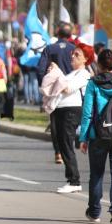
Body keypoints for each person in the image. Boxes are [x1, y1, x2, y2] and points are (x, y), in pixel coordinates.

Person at [79, 49, 112, 224]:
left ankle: (94, 212)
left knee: (96, 174)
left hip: (97, 136)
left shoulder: (93, 84)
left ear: (98, 65)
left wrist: (83, 138)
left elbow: (86, 113)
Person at [41, 44, 93, 194]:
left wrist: (57, 72)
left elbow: (67, 88)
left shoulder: (84, 74)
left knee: (66, 143)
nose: (73, 56)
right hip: (60, 110)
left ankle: (74, 180)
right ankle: (72, 179)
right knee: (61, 142)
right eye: (73, 53)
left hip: (71, 111)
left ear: (85, 59)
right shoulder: (71, 73)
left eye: (77, 55)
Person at [38, 22, 75, 164]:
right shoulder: (74, 50)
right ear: (70, 35)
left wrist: (44, 86)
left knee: (55, 122)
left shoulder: (50, 49)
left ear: (58, 34)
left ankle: (58, 152)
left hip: (54, 90)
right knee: (69, 122)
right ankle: (68, 149)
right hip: (71, 90)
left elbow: (41, 69)